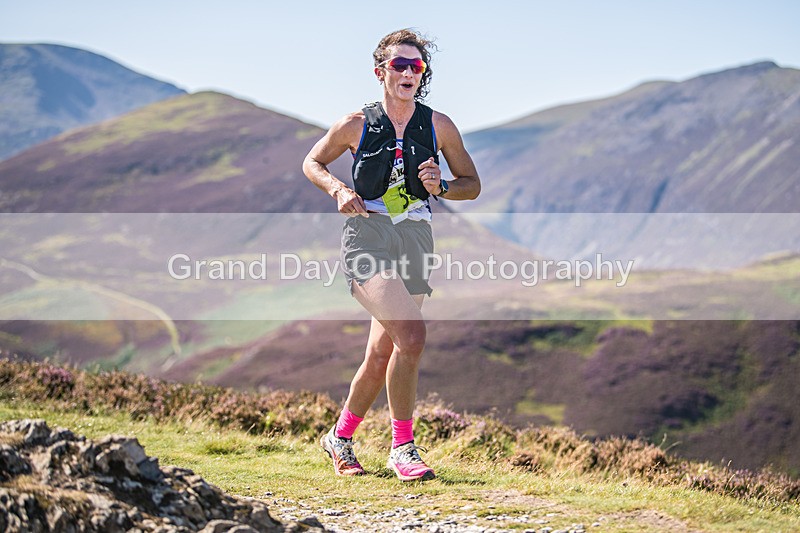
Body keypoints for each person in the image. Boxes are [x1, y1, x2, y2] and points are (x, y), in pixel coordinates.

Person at [302, 29, 480, 481]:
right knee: (413, 337)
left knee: (383, 353)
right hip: (368, 238)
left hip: (416, 239)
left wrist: (442, 186)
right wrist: (338, 188)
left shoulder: (439, 126)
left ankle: (339, 438)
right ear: (380, 71)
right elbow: (312, 163)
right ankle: (403, 448)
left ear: (423, 75)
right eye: (398, 64)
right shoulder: (353, 125)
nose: (408, 72)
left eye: (416, 66)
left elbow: (471, 185)